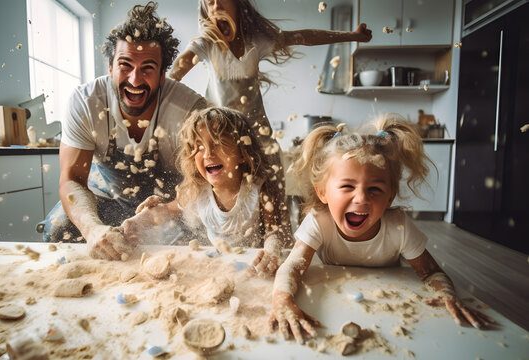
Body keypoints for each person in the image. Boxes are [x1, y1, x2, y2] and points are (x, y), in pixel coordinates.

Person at [269, 116, 496, 344]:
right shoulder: (319, 220)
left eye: (375, 188)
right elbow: (293, 266)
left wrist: (447, 294)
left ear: (390, 196)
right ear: (322, 192)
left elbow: (431, 273)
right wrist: (281, 300)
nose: (361, 198)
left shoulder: (399, 226)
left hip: (386, 314)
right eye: (347, 186)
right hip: (333, 306)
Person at [167, 0, 373, 250]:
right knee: (227, 202)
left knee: (276, 206)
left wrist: (352, 35)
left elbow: (304, 37)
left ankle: (281, 256)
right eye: (208, 2)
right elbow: (174, 75)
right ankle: (230, 250)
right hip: (225, 145)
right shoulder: (206, 43)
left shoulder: (257, 41)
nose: (215, 5)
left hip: (261, 141)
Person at [39, 2, 207, 254]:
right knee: (58, 228)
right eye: (125, 65)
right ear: (110, 68)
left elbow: (205, 183)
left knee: (194, 242)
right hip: (106, 199)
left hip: (169, 204)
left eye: (147, 69)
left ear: (163, 75)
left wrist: (160, 212)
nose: (135, 80)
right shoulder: (86, 102)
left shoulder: (190, 110)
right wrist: (93, 229)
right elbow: (72, 180)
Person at [101, 107, 289, 275]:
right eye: (198, 146)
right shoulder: (196, 191)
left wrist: (271, 251)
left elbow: (274, 232)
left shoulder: (259, 188)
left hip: (253, 265)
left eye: (218, 143)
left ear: (242, 153)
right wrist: (135, 224)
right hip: (217, 266)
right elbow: (165, 211)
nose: (208, 153)